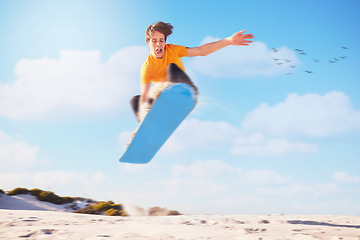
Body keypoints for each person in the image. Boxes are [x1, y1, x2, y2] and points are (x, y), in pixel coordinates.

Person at [130, 21, 254, 138]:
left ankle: (169, 101)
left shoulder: (172, 49)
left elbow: (201, 51)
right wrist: (142, 125)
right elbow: (145, 98)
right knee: (137, 100)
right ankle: (152, 127)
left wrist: (229, 40)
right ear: (148, 43)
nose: (158, 44)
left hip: (186, 91)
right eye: (154, 41)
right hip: (166, 101)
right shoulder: (147, 67)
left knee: (172, 68)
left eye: (161, 41)